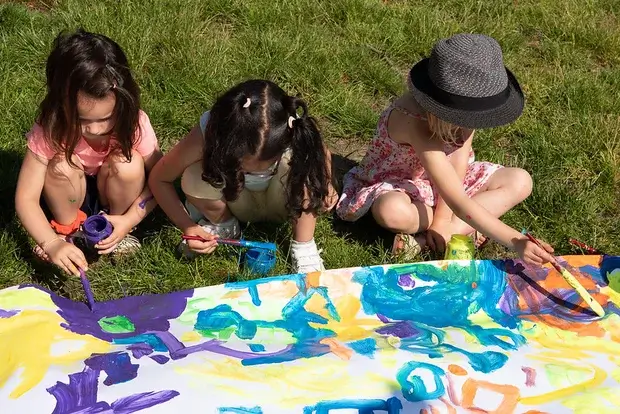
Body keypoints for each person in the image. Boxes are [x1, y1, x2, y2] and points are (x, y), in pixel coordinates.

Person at [336, 33, 555, 266]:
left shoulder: (466, 109)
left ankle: (430, 239)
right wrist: (516, 240)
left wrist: (442, 220)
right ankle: (467, 229)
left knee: (521, 181)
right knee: (392, 211)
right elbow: (458, 201)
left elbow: (459, 163)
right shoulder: (415, 122)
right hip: (401, 184)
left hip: (447, 182)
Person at [148, 79, 337, 273]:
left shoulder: (293, 130)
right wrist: (187, 226)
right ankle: (224, 223)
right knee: (192, 175)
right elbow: (160, 178)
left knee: (307, 166)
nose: (253, 172)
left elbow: (322, 155)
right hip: (234, 202)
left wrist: (326, 183)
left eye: (265, 164)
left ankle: (303, 246)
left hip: (282, 202)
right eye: (243, 165)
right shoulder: (212, 129)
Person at [14, 29, 162, 276]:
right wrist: (50, 243)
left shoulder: (133, 123)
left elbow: (160, 179)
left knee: (128, 162)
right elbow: (25, 198)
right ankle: (67, 231)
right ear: (61, 104)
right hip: (68, 195)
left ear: (124, 102)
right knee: (62, 165)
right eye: (81, 119)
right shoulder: (52, 127)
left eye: (106, 118)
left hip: (115, 194)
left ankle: (112, 229)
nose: (95, 129)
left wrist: (128, 221)